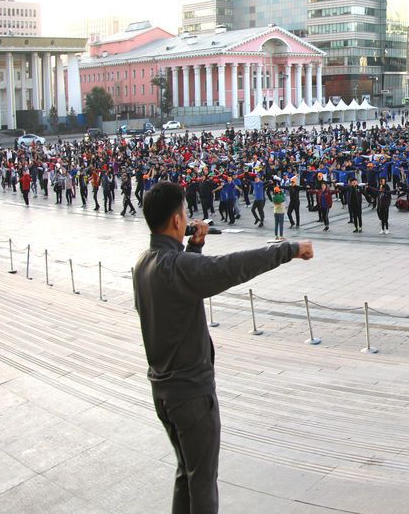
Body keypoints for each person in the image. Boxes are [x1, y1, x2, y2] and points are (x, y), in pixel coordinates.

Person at [133, 181, 313, 514]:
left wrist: (194, 248)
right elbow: (230, 267)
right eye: (184, 212)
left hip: (163, 393)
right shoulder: (175, 267)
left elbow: (178, 291)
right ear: (176, 220)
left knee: (186, 474)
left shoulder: (144, 263)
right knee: (202, 482)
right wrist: (289, 249)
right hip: (191, 395)